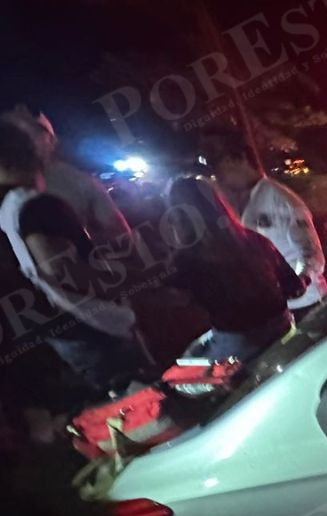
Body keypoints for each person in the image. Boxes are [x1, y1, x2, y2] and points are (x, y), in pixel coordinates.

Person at [0, 121, 141, 397]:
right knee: (143, 401)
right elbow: (59, 269)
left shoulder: (9, 208)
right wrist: (123, 284)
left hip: (66, 331)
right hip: (99, 328)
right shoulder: (39, 205)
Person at [163, 177, 302, 362]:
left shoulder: (185, 260)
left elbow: (181, 311)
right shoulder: (254, 239)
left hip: (239, 344)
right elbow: (294, 287)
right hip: (283, 328)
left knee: (188, 363)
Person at [200, 129, 327, 318]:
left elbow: (311, 254)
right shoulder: (228, 200)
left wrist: (299, 281)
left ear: (239, 159)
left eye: (216, 164)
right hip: (269, 309)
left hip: (305, 305)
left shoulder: (280, 200)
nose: (215, 174)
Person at [2, 106, 130, 245]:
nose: (23, 143)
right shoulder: (8, 187)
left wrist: (77, 243)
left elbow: (121, 235)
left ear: (51, 140)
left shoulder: (79, 183)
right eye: (14, 135)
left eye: (31, 134)